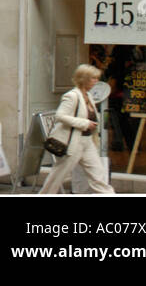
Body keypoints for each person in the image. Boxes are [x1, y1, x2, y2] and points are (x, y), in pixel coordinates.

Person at [39, 64, 115, 195]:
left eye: (97, 78)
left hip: (87, 142)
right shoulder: (72, 96)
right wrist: (84, 123)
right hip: (73, 143)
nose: (96, 81)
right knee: (57, 177)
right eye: (93, 78)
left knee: (98, 175)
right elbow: (60, 116)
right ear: (83, 79)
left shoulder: (89, 96)